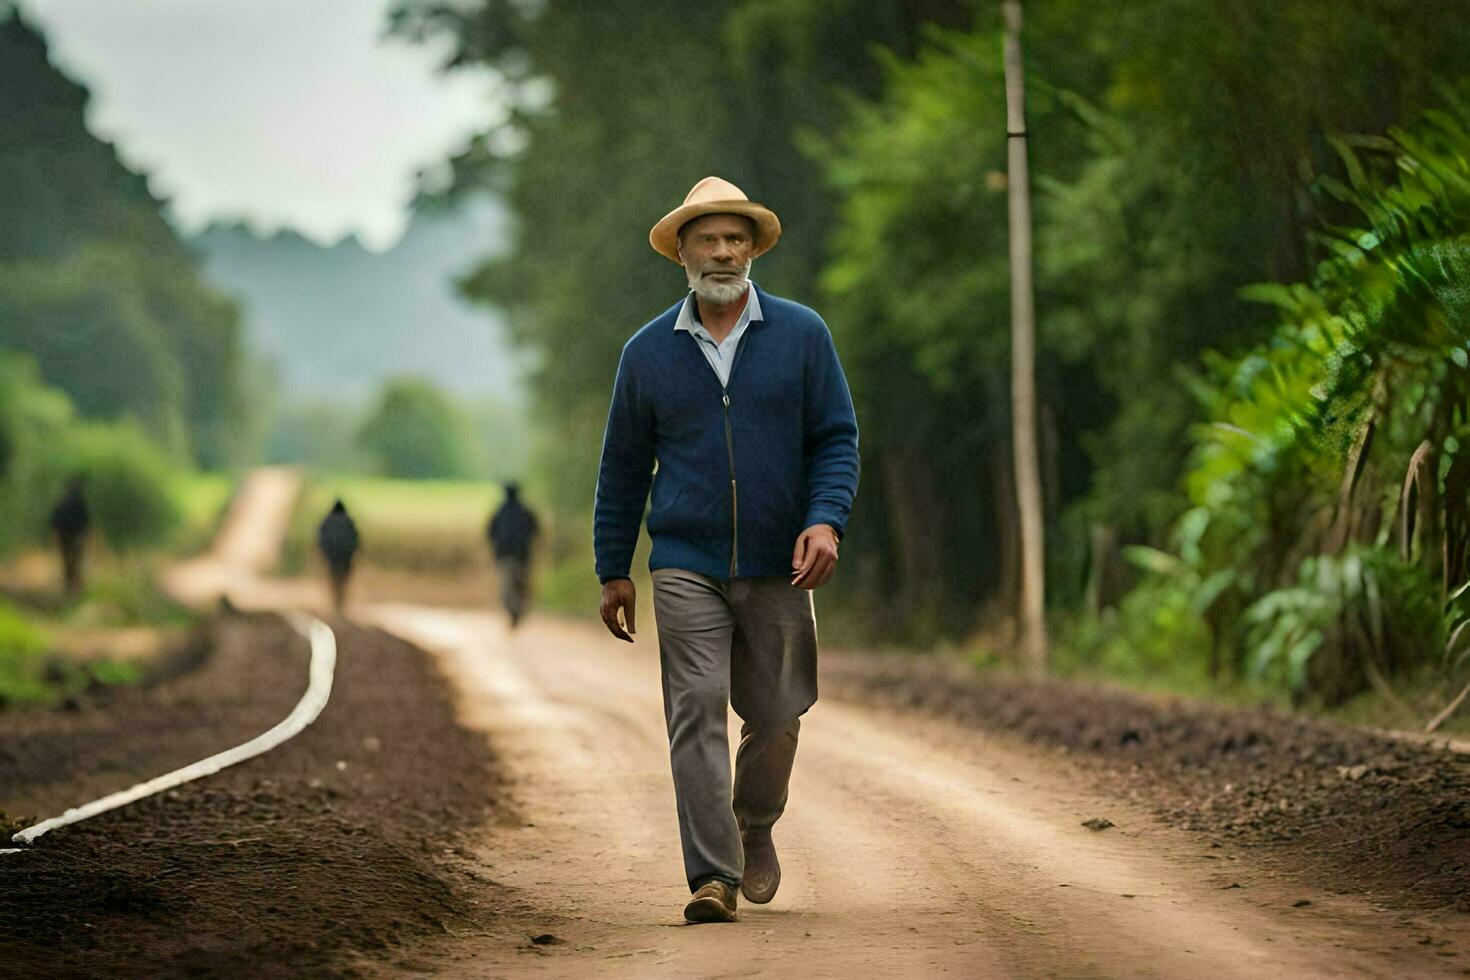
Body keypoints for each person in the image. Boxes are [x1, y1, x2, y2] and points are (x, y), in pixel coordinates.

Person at [594, 176, 859, 923]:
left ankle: (755, 824)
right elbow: (620, 467)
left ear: (753, 250)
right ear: (681, 251)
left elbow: (837, 437)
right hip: (684, 560)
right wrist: (613, 567)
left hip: (782, 560)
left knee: (778, 714)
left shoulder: (803, 335)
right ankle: (713, 875)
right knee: (695, 707)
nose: (722, 252)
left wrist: (826, 520)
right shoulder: (646, 353)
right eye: (707, 238)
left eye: (735, 239)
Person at [487, 482, 540, 627]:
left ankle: (514, 612)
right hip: (523, 556)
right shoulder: (526, 512)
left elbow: (490, 533)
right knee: (521, 587)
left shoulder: (499, 513)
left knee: (508, 588)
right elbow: (537, 531)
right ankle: (518, 611)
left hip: (506, 557)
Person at [49, 477, 90, 598]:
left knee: (67, 559)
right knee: (76, 559)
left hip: (63, 536)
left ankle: (69, 583)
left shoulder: (61, 503)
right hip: (76, 536)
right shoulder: (80, 503)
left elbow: (55, 520)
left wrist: (55, 534)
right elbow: (85, 521)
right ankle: (75, 585)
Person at [316, 499, 360, 612]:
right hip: (345, 555)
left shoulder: (327, 522)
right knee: (343, 578)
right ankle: (340, 600)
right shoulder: (349, 522)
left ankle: (336, 600)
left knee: (334, 577)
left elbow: (321, 539)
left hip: (332, 554)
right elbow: (356, 539)